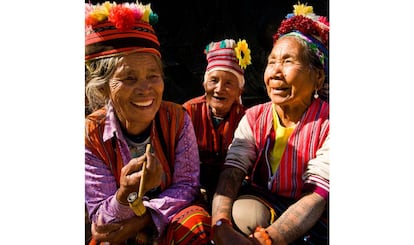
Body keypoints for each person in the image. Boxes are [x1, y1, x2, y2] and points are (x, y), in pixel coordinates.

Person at [84, 2, 210, 244]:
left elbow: (187, 186)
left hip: (170, 220)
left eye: (153, 76)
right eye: (128, 78)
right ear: (103, 88)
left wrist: (146, 218)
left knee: (196, 224)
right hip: (121, 228)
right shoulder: (91, 134)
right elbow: (101, 219)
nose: (145, 89)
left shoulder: (177, 118)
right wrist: (127, 193)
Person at [210, 2, 329, 245]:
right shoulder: (256, 117)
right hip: (266, 204)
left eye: (288, 61)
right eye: (272, 61)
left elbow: (317, 196)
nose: (275, 71)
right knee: (241, 213)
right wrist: (220, 225)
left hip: (318, 215)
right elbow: (233, 170)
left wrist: (266, 240)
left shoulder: (331, 123)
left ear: (318, 77)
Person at [183, 38, 251, 208]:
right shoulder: (188, 112)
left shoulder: (247, 119)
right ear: (204, 84)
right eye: (214, 81)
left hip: (232, 188)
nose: (219, 89)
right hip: (193, 186)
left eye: (229, 83)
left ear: (239, 91)